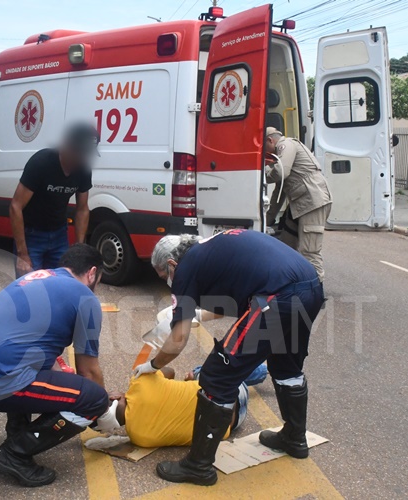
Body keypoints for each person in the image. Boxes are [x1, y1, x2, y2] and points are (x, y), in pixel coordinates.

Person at [136, 230, 324, 486]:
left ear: (171, 264)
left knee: (217, 375)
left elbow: (178, 339)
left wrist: (152, 364)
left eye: (164, 276)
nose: (168, 281)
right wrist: (197, 314)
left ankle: (198, 466)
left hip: (278, 296)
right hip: (309, 286)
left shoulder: (185, 268)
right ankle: (294, 438)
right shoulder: (207, 250)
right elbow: (234, 300)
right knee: (285, 365)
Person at [0, 244, 111, 488]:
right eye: (98, 280)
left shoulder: (36, 277)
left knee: (29, 364)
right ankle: (14, 454)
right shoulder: (85, 297)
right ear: (92, 273)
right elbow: (88, 371)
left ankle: (17, 430)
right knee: (94, 399)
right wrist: (101, 411)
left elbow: (42, 351)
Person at [10, 123, 99, 277]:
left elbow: (82, 209)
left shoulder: (83, 169)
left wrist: (79, 248)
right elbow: (15, 206)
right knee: (30, 287)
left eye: (86, 154)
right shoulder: (41, 163)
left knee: (62, 283)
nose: (83, 158)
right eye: (80, 153)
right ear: (67, 146)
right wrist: (22, 254)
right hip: (32, 236)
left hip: (59, 235)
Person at [105, 366, 250, 448]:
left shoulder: (139, 439)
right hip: (229, 391)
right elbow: (170, 371)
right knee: (202, 369)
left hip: (233, 422)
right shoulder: (139, 382)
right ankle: (261, 369)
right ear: (115, 397)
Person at [264, 127, 332, 281]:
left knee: (309, 251)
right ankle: (290, 285)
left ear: (270, 140)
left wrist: (261, 174)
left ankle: (316, 291)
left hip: (312, 202)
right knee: (287, 246)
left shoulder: (286, 145)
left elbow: (281, 173)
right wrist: (266, 220)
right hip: (301, 204)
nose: (265, 153)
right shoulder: (281, 155)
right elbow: (278, 194)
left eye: (264, 147)